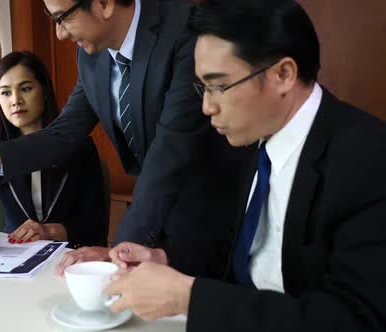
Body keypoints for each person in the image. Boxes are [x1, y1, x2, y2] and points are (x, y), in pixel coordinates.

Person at [0, 0, 242, 278]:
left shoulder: (184, 31)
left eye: (63, 18)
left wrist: (117, 252)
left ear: (105, 4)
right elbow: (62, 135)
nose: (59, 33)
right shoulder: (91, 57)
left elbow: (169, 155)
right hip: (157, 221)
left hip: (212, 218)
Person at [105, 0, 386, 330]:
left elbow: (357, 319)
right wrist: (167, 261)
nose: (207, 107)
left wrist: (190, 298)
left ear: (283, 74)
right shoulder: (250, 139)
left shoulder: (369, 159)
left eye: (219, 86)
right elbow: (239, 251)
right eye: (202, 88)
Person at [0, 51, 107, 254]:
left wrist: (49, 231)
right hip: (14, 255)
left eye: (26, 88)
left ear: (44, 91)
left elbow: (95, 224)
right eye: (5, 92)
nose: (16, 100)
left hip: (69, 255)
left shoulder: (80, 146)